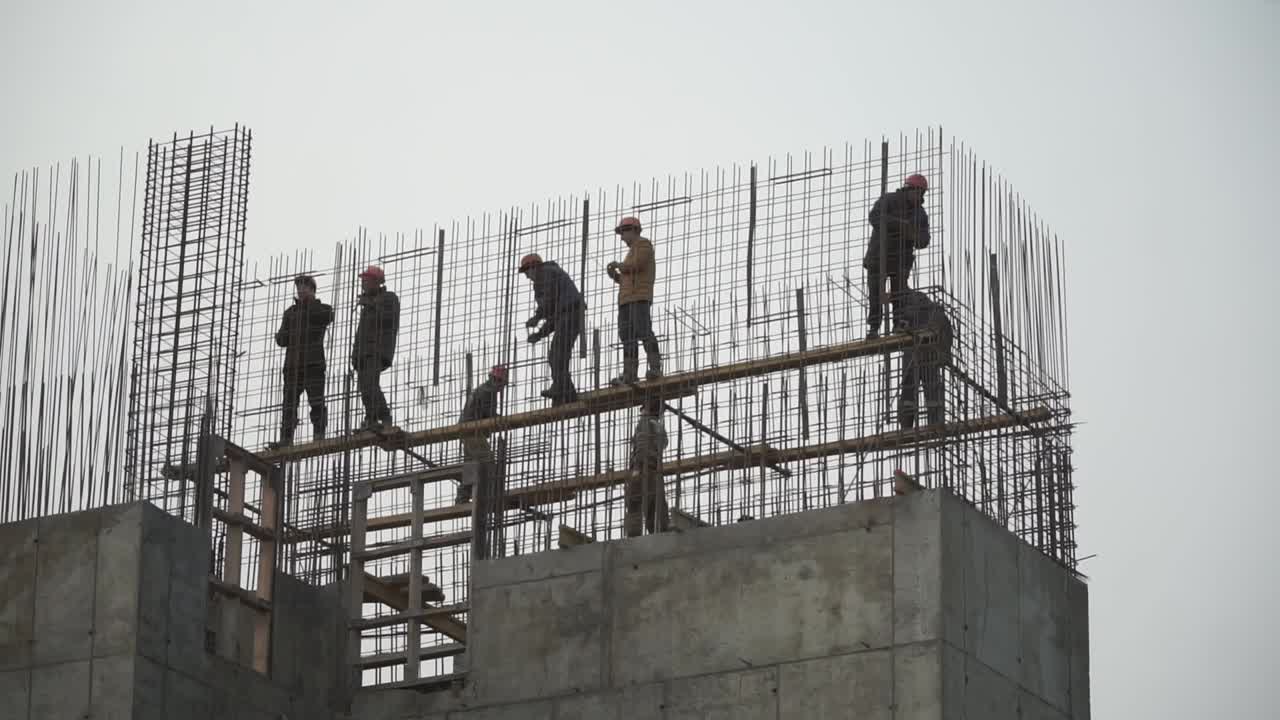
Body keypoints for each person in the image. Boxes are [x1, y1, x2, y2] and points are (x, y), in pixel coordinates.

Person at [270, 275, 334, 447]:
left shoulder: (321, 309)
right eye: (299, 287)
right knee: (289, 404)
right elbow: (282, 340)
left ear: (312, 290)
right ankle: (286, 438)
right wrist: (282, 334)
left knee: (316, 400)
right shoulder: (291, 312)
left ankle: (319, 433)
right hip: (292, 366)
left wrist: (308, 306)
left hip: (313, 363)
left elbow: (328, 316)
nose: (300, 290)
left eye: (304, 287)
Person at [864, 173, 931, 338]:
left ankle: (898, 323)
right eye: (916, 192)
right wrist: (900, 225)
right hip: (879, 256)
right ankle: (874, 328)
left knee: (899, 292)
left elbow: (924, 240)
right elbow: (874, 217)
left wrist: (914, 234)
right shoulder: (889, 200)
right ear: (908, 189)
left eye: (921, 193)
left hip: (900, 260)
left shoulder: (920, 214)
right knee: (875, 292)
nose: (918, 196)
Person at [519, 253, 585, 405]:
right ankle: (565, 391)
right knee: (556, 356)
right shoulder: (545, 279)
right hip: (567, 315)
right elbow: (553, 315)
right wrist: (540, 334)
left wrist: (537, 317)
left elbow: (549, 302)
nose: (527, 277)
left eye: (527, 272)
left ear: (534, 267)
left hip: (571, 313)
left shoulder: (548, 273)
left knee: (557, 355)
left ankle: (564, 390)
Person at [606, 216, 663, 385]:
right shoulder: (631, 252)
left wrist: (619, 266)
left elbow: (638, 265)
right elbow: (628, 278)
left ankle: (655, 367)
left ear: (633, 230)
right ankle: (629, 374)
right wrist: (615, 276)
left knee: (643, 331)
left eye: (623, 233)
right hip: (626, 300)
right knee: (627, 336)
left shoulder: (644, 245)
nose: (622, 238)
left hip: (639, 297)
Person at [893, 289, 954, 430]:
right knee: (920, 391)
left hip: (922, 358)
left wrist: (944, 353)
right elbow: (898, 331)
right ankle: (922, 423)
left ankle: (917, 425)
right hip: (920, 358)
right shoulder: (927, 312)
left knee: (922, 390)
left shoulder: (933, 312)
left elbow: (946, 334)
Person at [351, 265, 400, 431]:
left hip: (377, 350)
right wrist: (355, 354)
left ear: (376, 281)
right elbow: (362, 332)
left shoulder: (388, 298)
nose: (363, 283)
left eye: (366, 280)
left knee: (370, 384)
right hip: (364, 352)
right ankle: (371, 418)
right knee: (365, 387)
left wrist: (371, 305)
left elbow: (389, 319)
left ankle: (384, 417)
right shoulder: (368, 304)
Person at [456, 365, 508, 503]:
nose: (500, 386)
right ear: (493, 379)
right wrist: (501, 420)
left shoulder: (485, 389)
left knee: (471, 463)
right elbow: (488, 413)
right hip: (473, 431)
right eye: (498, 381)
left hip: (467, 430)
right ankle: (489, 493)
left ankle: (463, 496)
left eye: (501, 383)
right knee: (487, 459)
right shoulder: (487, 391)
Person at [625, 395, 670, 537]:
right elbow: (662, 444)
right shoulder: (658, 426)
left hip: (644, 467)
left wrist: (637, 468)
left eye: (643, 409)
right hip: (655, 470)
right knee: (656, 505)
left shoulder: (644, 423)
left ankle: (633, 537)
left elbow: (642, 445)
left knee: (634, 501)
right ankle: (661, 534)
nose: (641, 412)